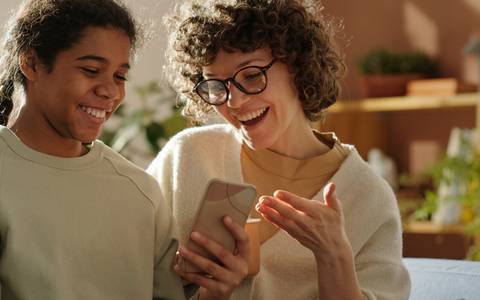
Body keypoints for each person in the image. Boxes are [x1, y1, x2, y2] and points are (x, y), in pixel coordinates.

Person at [0, 1, 187, 299]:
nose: (111, 91)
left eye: (119, 76)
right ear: (31, 63)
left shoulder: (141, 192)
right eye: (92, 70)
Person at [148, 0, 411, 299]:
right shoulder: (186, 157)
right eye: (216, 86)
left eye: (251, 75)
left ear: (298, 65)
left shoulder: (368, 197)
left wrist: (334, 255)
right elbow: (130, 278)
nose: (233, 102)